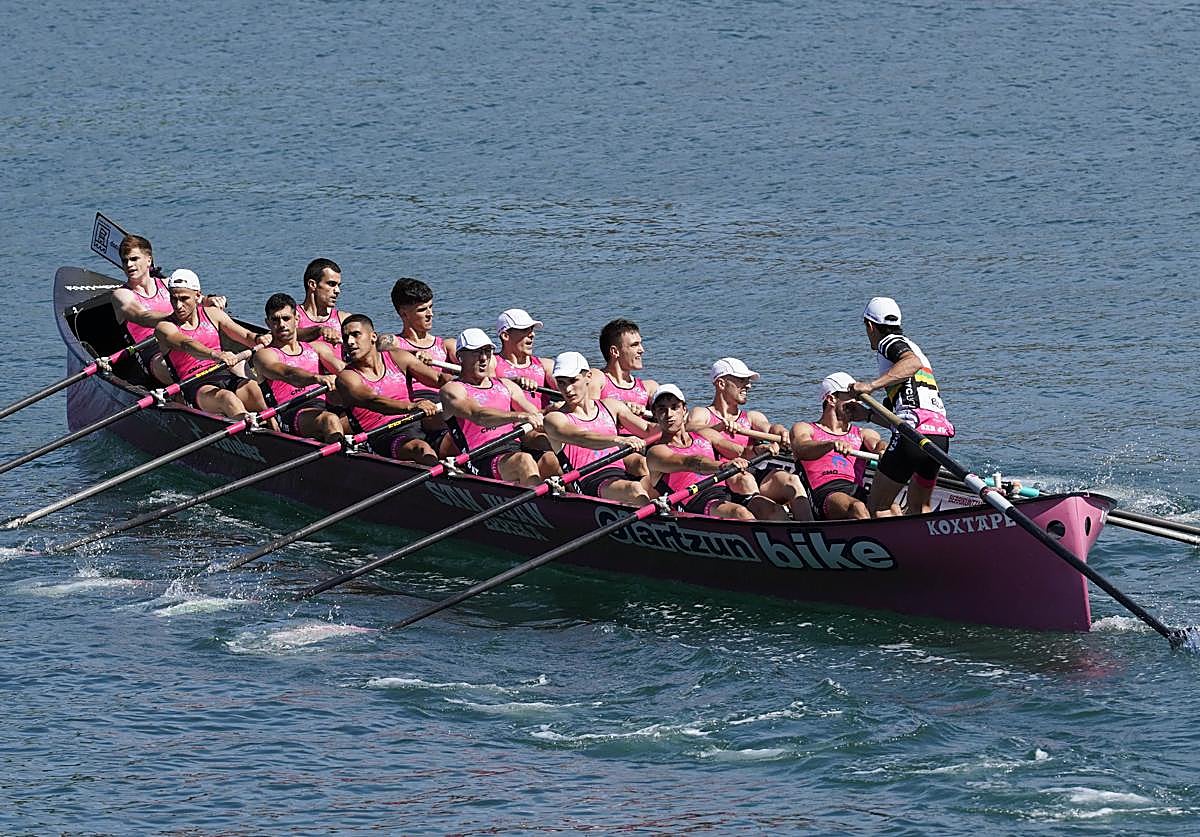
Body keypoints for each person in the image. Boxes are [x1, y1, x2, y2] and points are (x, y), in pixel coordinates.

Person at [850, 297, 955, 516]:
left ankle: (885, 549)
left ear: (870, 326)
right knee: (920, 508)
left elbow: (911, 363)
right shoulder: (917, 351)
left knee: (877, 506)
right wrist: (868, 416)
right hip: (938, 438)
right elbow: (902, 416)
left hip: (912, 438)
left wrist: (871, 386)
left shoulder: (888, 342)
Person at [690, 357, 813, 521]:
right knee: (745, 480)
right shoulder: (702, 413)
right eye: (741, 380)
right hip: (725, 474)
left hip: (754, 470)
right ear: (721, 384)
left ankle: (810, 528)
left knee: (791, 480)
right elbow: (690, 428)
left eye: (747, 381)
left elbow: (769, 428)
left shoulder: (752, 417)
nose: (748, 385)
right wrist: (719, 427)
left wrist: (782, 431)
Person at [153, 269, 269, 420]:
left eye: (184, 299)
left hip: (222, 373)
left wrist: (259, 338)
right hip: (193, 384)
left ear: (198, 296)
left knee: (255, 390)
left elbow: (246, 335)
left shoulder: (212, 314)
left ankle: (278, 432)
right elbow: (187, 344)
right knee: (227, 399)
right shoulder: (164, 327)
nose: (178, 305)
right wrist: (215, 354)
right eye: (174, 299)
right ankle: (252, 438)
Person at [440, 328, 549, 486]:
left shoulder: (506, 385)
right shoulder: (452, 390)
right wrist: (518, 416)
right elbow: (479, 415)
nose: (484, 358)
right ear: (460, 356)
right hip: (480, 458)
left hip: (512, 449)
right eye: (476, 352)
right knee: (523, 461)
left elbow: (534, 413)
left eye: (487, 351)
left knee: (552, 458)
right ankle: (540, 507)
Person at [543, 351, 653, 503]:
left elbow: (648, 429)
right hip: (588, 481)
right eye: (561, 382)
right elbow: (583, 438)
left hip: (619, 474)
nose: (567, 389)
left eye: (573, 381)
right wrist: (618, 440)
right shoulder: (554, 419)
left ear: (588, 377)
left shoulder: (610, 406)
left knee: (657, 476)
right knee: (633, 490)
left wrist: (677, 423)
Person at [335, 314, 441, 464]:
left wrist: (467, 383)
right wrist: (412, 406)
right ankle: (442, 484)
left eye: (356, 335)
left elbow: (438, 379)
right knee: (421, 448)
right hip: (383, 435)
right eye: (346, 338)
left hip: (417, 423)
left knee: (455, 433)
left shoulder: (398, 357)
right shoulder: (347, 377)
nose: (350, 342)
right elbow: (374, 401)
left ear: (373, 337)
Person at [644, 385, 753, 520]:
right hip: (695, 501)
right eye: (662, 409)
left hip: (725, 490)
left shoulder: (704, 434)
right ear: (654, 414)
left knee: (769, 508)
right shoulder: (656, 452)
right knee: (739, 513)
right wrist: (723, 466)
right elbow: (690, 462)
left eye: (674, 407)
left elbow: (739, 451)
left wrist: (759, 450)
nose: (669, 414)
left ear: (684, 410)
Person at [791, 372, 888, 520]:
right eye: (851, 397)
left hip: (857, 490)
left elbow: (878, 444)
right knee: (857, 507)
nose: (856, 403)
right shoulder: (805, 428)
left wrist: (883, 449)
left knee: (891, 508)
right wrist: (830, 445)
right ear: (831, 399)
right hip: (824, 493)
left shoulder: (863, 433)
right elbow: (801, 447)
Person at [253, 293, 346, 442]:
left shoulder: (317, 348)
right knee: (329, 420)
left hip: (322, 407)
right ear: (267, 323)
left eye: (286, 318)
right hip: (290, 413)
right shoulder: (264, 355)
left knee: (362, 414)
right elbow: (289, 374)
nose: (282, 324)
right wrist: (316, 378)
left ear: (296, 320)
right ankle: (339, 463)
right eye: (275, 320)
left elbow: (343, 370)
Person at [380, 278, 458, 400]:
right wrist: (413, 354)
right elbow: (382, 347)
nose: (430, 314)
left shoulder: (447, 346)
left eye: (431, 307)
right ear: (404, 314)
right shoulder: (393, 342)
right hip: (416, 405)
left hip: (445, 400)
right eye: (422, 310)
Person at [591, 318, 658, 411]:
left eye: (640, 344)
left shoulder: (649, 388)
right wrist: (622, 406)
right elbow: (589, 411)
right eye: (634, 345)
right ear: (615, 351)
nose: (642, 350)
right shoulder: (597, 378)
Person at [493, 308, 554, 409]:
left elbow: (569, 386)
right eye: (525, 330)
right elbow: (484, 384)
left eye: (532, 329)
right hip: (511, 422)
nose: (532, 334)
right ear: (505, 336)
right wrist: (512, 381)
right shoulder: (492, 362)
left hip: (542, 420)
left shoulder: (546, 365)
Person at [295, 257, 349, 347]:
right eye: (331, 284)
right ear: (312, 284)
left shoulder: (343, 319)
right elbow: (289, 333)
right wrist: (319, 330)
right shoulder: (292, 315)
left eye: (338, 285)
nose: (337, 290)